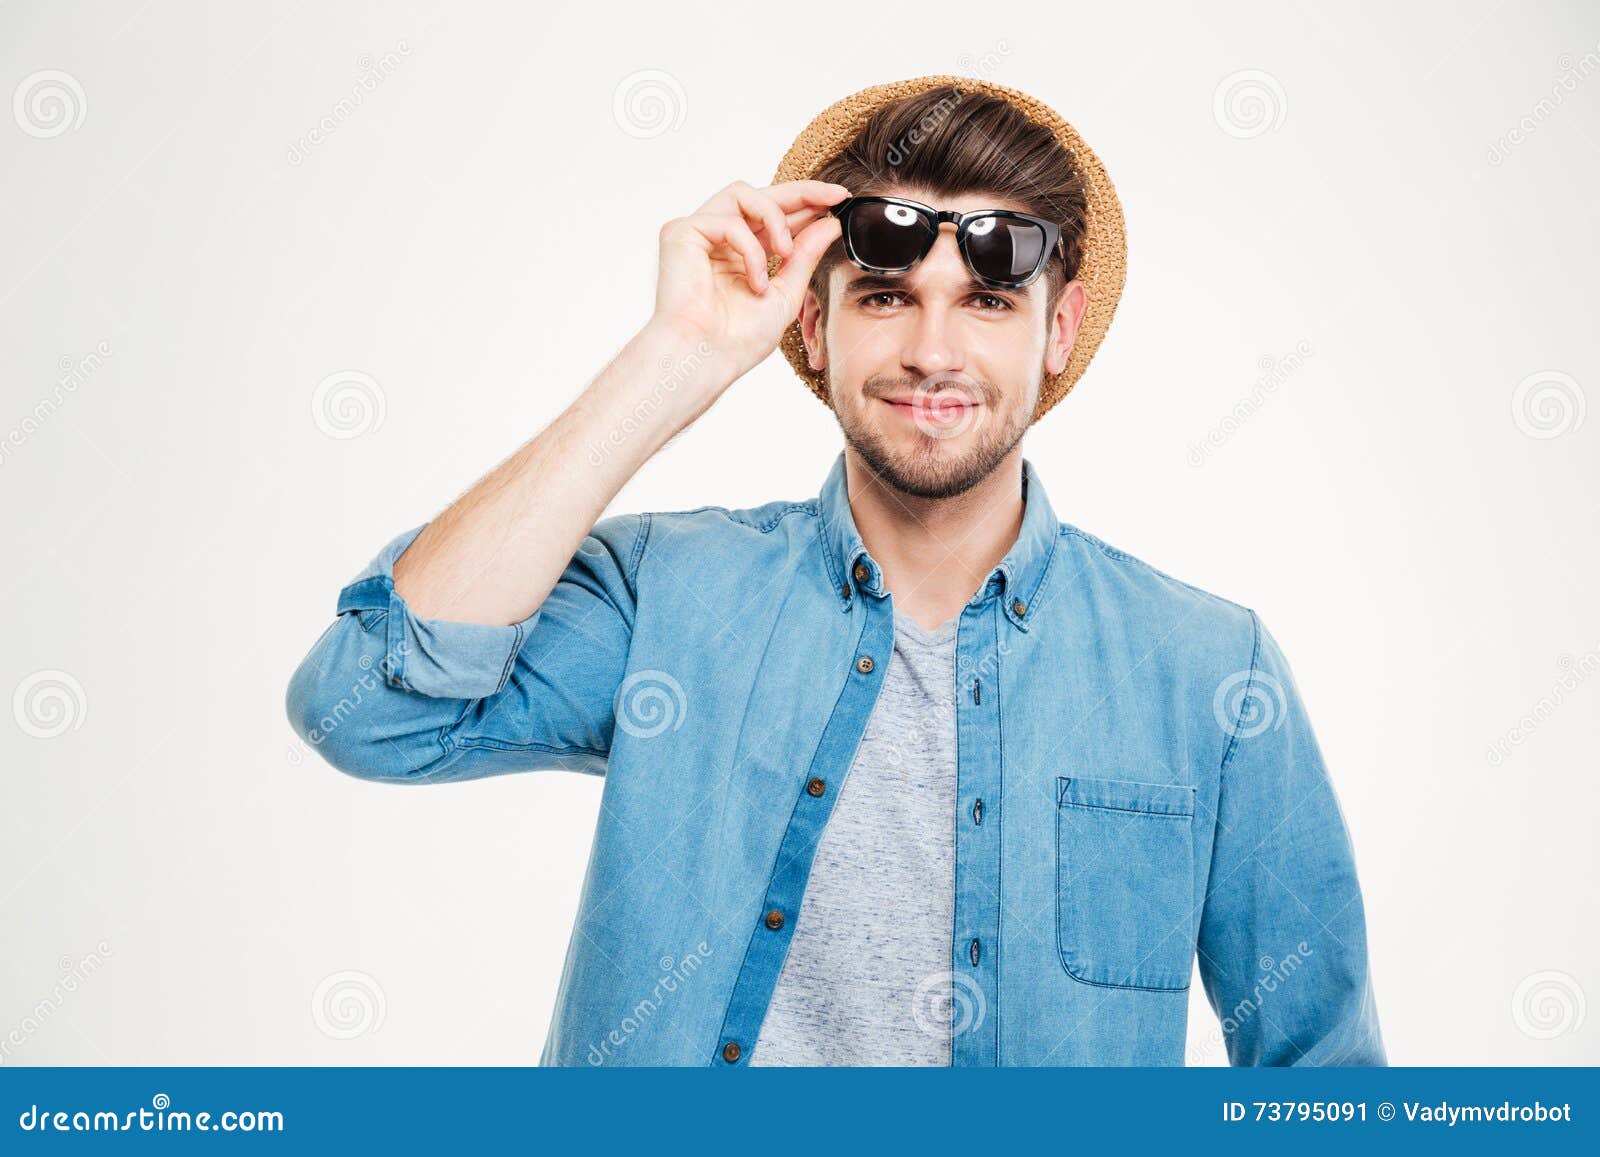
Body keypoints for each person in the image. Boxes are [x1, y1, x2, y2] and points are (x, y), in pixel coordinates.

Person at [286, 76, 1385, 1067]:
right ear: (811, 322)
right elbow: (363, 707)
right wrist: (675, 357)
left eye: (989, 303)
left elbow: (1324, 1080)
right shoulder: (668, 596)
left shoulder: (1205, 670)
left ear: (1061, 330)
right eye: (885, 295)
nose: (933, 353)